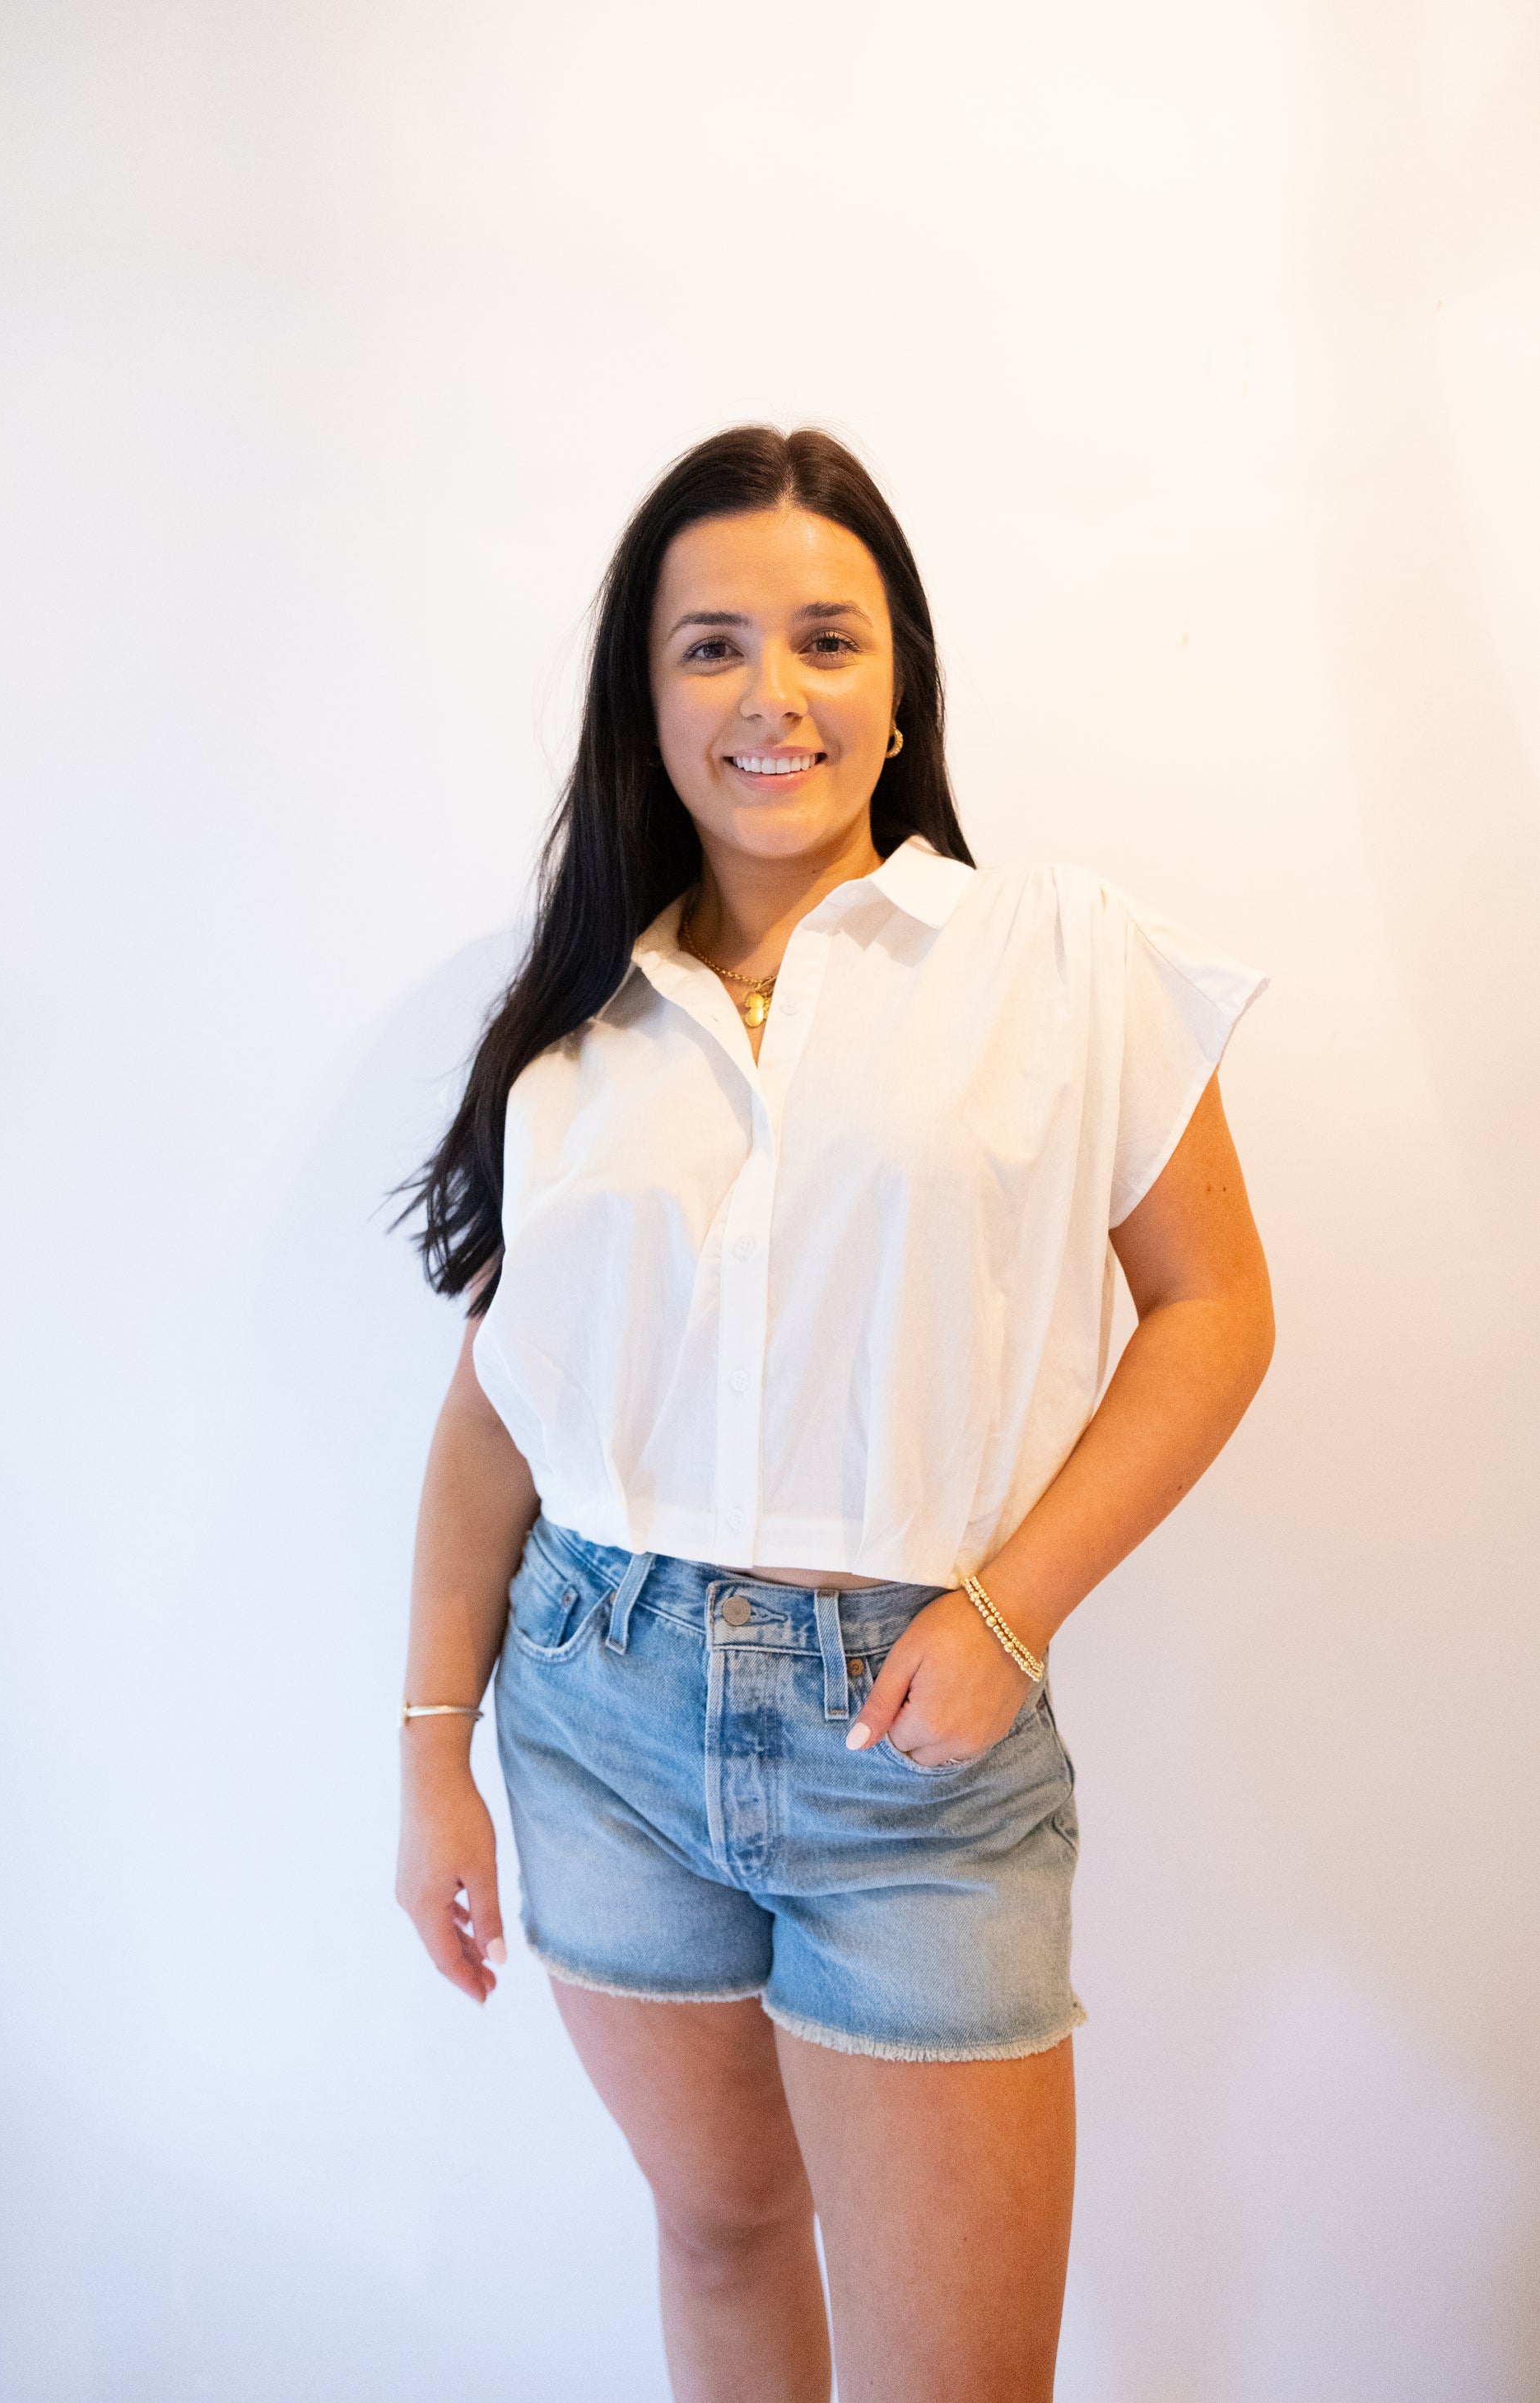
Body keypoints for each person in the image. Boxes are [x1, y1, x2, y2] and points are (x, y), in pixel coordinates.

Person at [394, 425, 1274, 2403]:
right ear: (647, 698)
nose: (769, 693)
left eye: (824, 638)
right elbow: (499, 1411)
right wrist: (430, 1749)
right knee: (717, 2231)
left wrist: (1009, 1610)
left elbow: (1215, 1308)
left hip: (915, 1742)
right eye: (710, 645)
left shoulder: (1055, 954)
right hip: (597, 1711)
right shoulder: (575, 1025)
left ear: (898, 683)